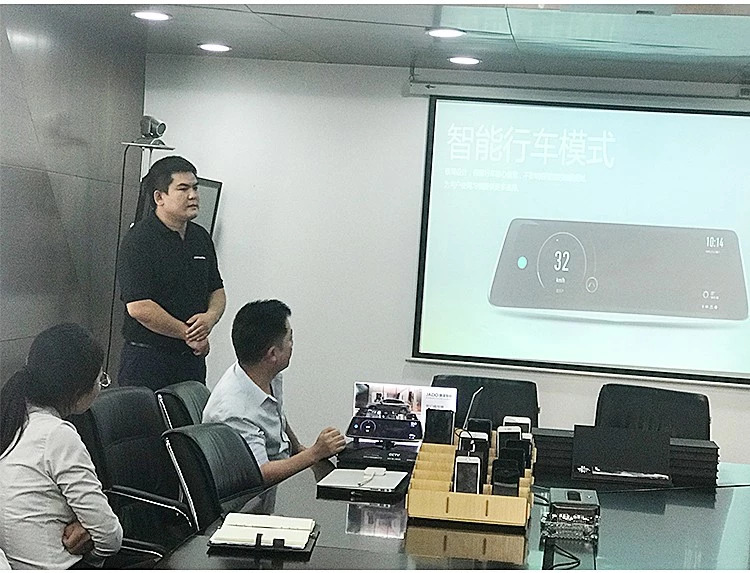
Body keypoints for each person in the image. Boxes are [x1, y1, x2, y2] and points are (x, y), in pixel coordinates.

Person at [0, 323, 123, 569]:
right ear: (78, 390)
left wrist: (86, 526)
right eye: (100, 378)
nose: (101, 386)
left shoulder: (11, 419)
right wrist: (93, 555)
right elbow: (110, 537)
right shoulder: (56, 436)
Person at [203, 299, 346, 484]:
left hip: (279, 474)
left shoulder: (264, 374)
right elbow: (261, 473)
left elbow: (277, 417)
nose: (292, 345)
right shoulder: (234, 411)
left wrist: (299, 449)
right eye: (290, 339)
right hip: (255, 494)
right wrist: (314, 453)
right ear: (272, 354)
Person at [117, 155, 226, 390]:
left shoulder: (200, 237)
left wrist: (210, 318)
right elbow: (139, 307)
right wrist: (188, 334)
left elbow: (217, 290)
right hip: (147, 359)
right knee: (146, 414)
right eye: (183, 189)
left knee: (191, 414)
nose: (193, 195)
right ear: (159, 197)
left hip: (190, 359)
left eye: (195, 188)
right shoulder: (139, 241)